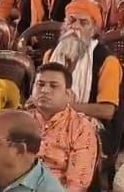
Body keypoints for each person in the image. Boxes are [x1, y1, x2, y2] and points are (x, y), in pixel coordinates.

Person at [25, 62, 99, 191]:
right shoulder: (20, 120)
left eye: (53, 86)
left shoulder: (81, 128)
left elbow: (76, 185)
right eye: (40, 84)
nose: (44, 90)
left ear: (68, 95)